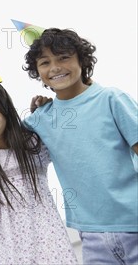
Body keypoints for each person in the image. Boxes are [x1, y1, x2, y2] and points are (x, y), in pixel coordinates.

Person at [22, 27, 138, 264]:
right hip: (90, 234)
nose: (55, 67)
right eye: (45, 62)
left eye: (63, 57)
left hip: (134, 220)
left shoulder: (111, 99)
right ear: (37, 72)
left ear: (82, 60)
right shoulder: (41, 118)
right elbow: (4, 141)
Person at [0, 47, 77, 264]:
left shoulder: (32, 144)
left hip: (50, 246)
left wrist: (47, 110)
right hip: (7, 252)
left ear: (6, 110)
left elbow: (67, 131)